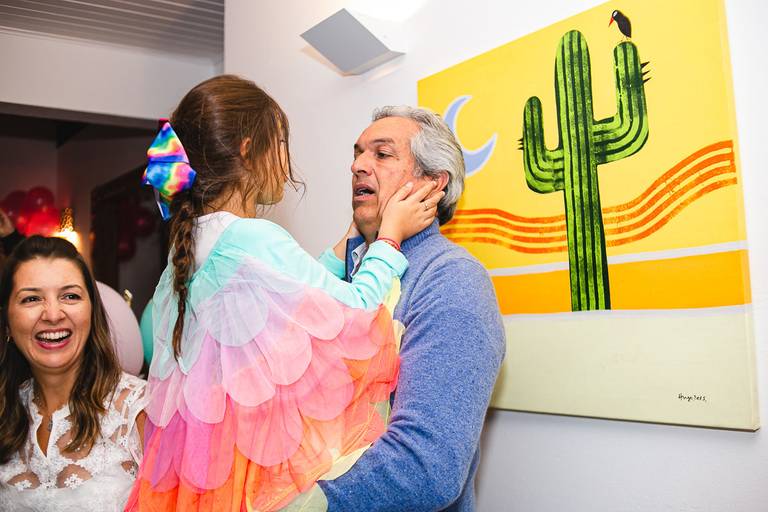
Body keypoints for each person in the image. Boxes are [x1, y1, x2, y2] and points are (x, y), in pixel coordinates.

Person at [126, 75, 443, 511]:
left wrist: (350, 236)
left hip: (209, 476)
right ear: (247, 150)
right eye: (279, 143)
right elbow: (354, 315)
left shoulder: (180, 263)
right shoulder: (253, 237)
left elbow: (287, 308)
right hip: (256, 477)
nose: (286, 158)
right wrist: (389, 237)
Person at [315, 106, 506, 511]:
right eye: (358, 153)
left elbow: (425, 467)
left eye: (382, 154)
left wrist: (300, 502)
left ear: (433, 184)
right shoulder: (348, 275)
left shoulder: (453, 279)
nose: (357, 166)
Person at [0, 235, 148, 511]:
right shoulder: (4, 411)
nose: (53, 314)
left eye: (70, 296)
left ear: (92, 311)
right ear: (7, 320)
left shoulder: (139, 411)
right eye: (31, 298)